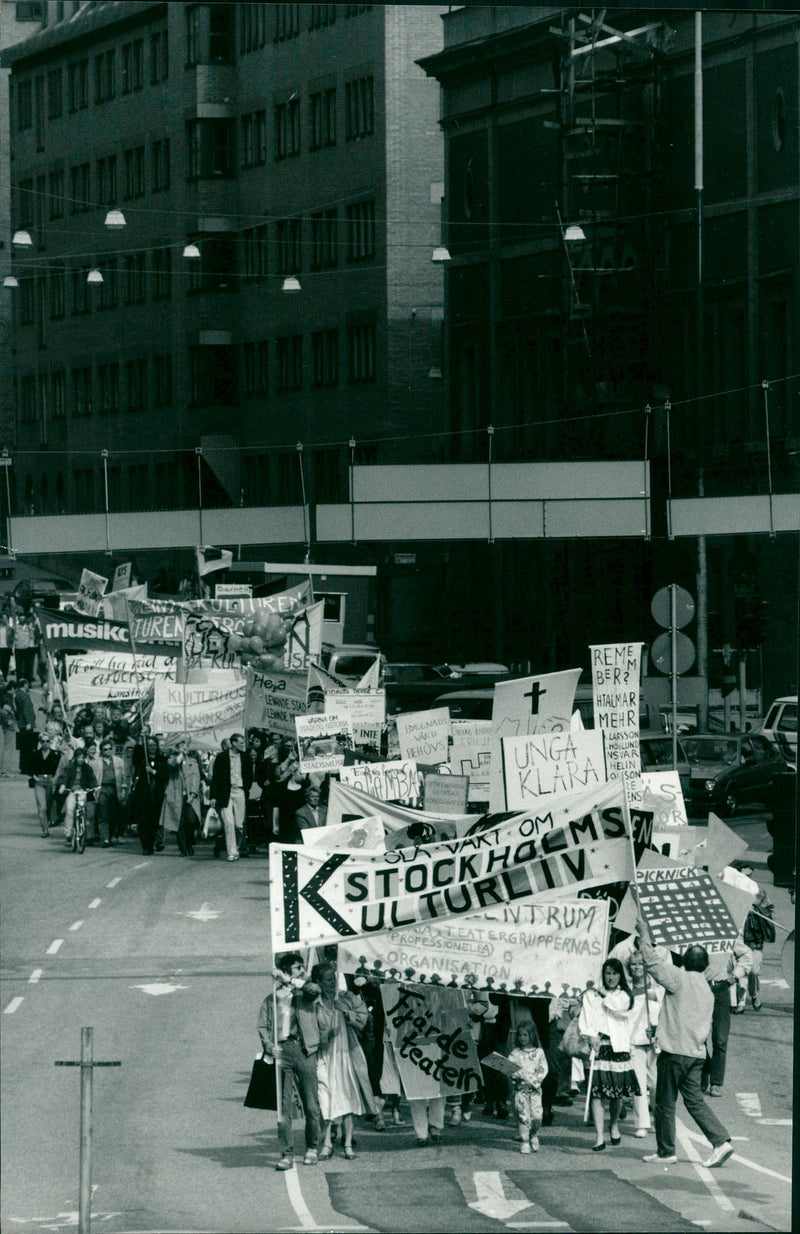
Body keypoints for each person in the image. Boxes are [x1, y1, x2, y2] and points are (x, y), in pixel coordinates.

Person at [636, 916, 734, 1168]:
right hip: (696, 1054)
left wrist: (644, 933)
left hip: (674, 1053)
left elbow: (651, 961)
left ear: (686, 961)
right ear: (704, 965)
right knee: (694, 1102)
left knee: (665, 1102)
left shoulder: (678, 977)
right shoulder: (707, 989)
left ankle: (666, 1150)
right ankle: (720, 1140)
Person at [258, 953, 337, 1171]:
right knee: (283, 1109)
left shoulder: (305, 993)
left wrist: (289, 980)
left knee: (311, 1105)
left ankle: (312, 1147)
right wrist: (268, 1045)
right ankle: (287, 1154)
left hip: (305, 1051)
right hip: (283, 1052)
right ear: (284, 969)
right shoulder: (272, 999)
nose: (302, 970)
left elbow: (314, 990)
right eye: (296, 967)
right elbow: (263, 1026)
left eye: (302, 966)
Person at [312, 963, 375, 1160]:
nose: (332, 983)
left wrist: (347, 1013)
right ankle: (327, 1143)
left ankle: (347, 1142)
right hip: (325, 1056)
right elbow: (309, 1029)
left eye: (334, 978)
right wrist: (324, 1035)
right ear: (319, 982)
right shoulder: (314, 1003)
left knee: (349, 1097)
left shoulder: (348, 998)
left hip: (347, 1054)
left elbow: (364, 1017)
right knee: (325, 1097)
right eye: (328, 980)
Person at [578, 957, 640, 1151]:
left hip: (618, 1047)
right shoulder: (591, 994)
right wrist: (590, 1036)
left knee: (616, 1094)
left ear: (620, 975)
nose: (611, 977)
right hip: (599, 1047)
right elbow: (585, 1018)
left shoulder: (624, 996)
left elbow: (620, 1010)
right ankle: (598, 1136)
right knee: (597, 1093)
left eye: (614, 973)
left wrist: (605, 994)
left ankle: (613, 1124)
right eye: (608, 973)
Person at [700, 934, 752, 1097]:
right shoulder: (691, 932)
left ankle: (716, 1082)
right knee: (698, 1037)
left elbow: (746, 955)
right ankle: (704, 1068)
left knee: (720, 1038)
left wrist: (735, 976)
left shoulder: (726, 932)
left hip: (721, 989)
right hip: (698, 989)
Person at [625, 950, 663, 1139]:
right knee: (638, 1085)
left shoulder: (657, 988)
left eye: (640, 964)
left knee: (656, 1085)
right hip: (634, 1042)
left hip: (654, 1043)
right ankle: (642, 1124)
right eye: (633, 964)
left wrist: (656, 1029)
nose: (637, 967)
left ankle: (658, 1119)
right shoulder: (626, 989)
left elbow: (665, 1014)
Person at [209, 731, 252, 861]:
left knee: (239, 824)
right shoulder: (221, 757)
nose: (243, 745)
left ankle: (237, 847)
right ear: (233, 743)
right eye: (240, 742)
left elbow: (249, 776)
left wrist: (245, 788)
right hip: (225, 793)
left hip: (239, 792)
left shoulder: (246, 757)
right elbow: (215, 778)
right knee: (229, 823)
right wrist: (213, 796)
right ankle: (231, 852)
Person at [507, 1021, 548, 1154]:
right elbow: (510, 1068)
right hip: (520, 1089)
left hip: (534, 1090)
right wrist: (516, 1076)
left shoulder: (539, 1052)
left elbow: (543, 1069)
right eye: (520, 1035)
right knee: (523, 1115)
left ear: (532, 1035)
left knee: (537, 1116)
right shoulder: (515, 1053)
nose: (522, 1037)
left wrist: (535, 1081)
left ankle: (534, 1135)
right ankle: (524, 1141)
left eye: (525, 1035)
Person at [735, 885, 774, 1013]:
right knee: (740, 970)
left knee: (754, 971)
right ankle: (740, 1001)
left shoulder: (758, 893)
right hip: (738, 939)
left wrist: (757, 909)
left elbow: (769, 911)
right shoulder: (732, 890)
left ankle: (755, 994)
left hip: (753, 940)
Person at [89, 737, 130, 848]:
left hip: (115, 789)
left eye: (109, 748)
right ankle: (105, 838)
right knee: (103, 814)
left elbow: (123, 777)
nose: (108, 751)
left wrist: (124, 790)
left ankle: (111, 835)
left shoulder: (118, 761)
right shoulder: (96, 763)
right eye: (105, 749)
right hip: (102, 789)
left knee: (114, 814)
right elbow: (92, 777)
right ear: (101, 750)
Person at [56, 746, 98, 846]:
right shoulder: (70, 767)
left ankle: (83, 829)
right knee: (70, 811)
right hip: (72, 791)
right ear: (75, 757)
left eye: (83, 757)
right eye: (79, 757)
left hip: (83, 791)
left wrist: (94, 787)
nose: (81, 759)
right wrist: (63, 786)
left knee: (83, 809)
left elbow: (92, 779)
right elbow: (64, 778)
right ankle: (68, 834)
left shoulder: (87, 768)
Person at [130, 736, 165, 855]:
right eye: (150, 746)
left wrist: (153, 772)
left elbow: (165, 774)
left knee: (154, 821)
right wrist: (140, 742)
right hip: (143, 795)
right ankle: (145, 845)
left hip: (156, 795)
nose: (152, 748)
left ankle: (152, 843)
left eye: (154, 745)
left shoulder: (161, 758)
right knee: (143, 821)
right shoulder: (143, 758)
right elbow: (135, 758)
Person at [28, 734, 62, 837]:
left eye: (47, 741)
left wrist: (55, 778)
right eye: (43, 741)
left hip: (50, 780)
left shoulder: (55, 754)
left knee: (49, 804)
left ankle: (51, 820)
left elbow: (59, 768)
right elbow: (29, 768)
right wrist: (35, 777)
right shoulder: (35, 754)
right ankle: (44, 829)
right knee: (42, 806)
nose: (45, 743)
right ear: (40, 742)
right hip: (39, 780)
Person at [0, 685, 17, 777]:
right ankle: (4, 770)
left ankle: (5, 769)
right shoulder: (6, 700)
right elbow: (4, 712)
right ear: (11, 689)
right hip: (8, 727)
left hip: (6, 726)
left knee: (7, 747)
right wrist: (9, 722)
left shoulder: (5, 698)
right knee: (8, 748)